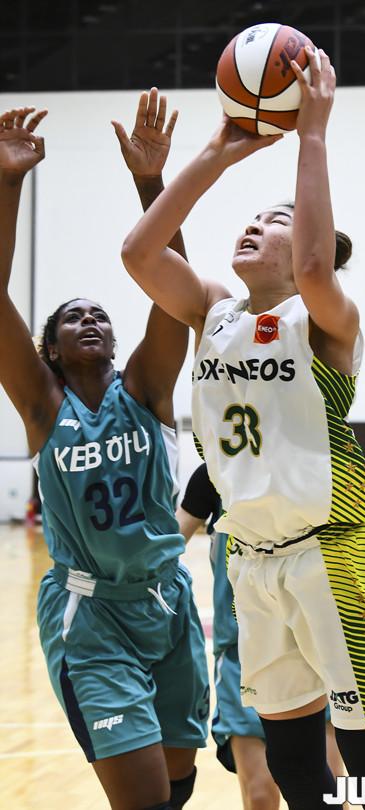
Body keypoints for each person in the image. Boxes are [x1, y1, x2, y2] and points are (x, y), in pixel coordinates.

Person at [122, 49, 365, 810]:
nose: (255, 224)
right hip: (250, 563)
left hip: (333, 557)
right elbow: (138, 252)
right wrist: (216, 153)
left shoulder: (324, 319)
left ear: (313, 250)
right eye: (252, 218)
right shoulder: (213, 311)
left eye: (276, 220)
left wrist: (311, 134)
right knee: (292, 765)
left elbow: (316, 269)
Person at [0, 91, 209, 810]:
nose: (89, 319)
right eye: (72, 318)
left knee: (177, 785)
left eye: (100, 315)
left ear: (116, 340)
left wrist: (151, 183)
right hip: (91, 616)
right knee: (143, 798)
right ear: (51, 349)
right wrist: (8, 183)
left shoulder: (146, 389)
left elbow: (178, 292)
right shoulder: (42, 405)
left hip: (169, 600)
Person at [178, 462, 351, 810]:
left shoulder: (311, 460)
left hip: (313, 645)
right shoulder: (213, 473)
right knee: (259, 795)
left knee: (329, 790)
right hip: (240, 652)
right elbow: (166, 544)